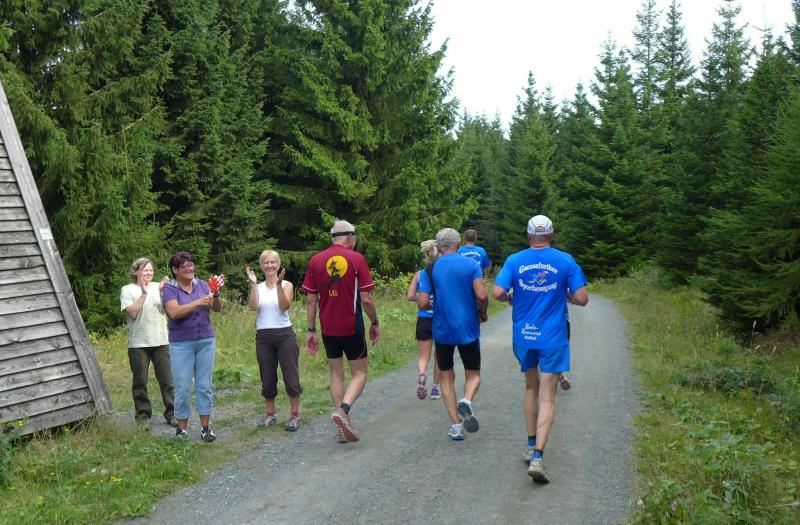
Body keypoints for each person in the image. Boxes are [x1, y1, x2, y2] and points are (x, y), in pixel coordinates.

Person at [493, 215, 588, 483]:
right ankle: (537, 457)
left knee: (530, 388)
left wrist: (512, 297)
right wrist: (565, 295)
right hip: (553, 337)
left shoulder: (514, 260)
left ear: (529, 235)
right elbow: (582, 298)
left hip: (524, 336)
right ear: (551, 235)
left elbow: (498, 292)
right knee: (547, 397)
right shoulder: (565, 260)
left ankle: (530, 443)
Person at [301, 220, 380, 443]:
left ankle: (341, 426)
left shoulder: (316, 260)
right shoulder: (356, 259)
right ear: (350, 237)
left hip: (328, 327)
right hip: (351, 326)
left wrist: (311, 330)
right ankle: (343, 411)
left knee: (336, 374)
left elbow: (311, 300)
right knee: (360, 373)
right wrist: (375, 321)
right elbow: (366, 298)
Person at [418, 228, 489, 441]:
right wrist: (482, 312)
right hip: (468, 328)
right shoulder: (471, 264)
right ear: (458, 244)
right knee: (473, 374)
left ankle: (456, 426)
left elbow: (422, 302)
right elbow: (482, 295)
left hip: (443, 330)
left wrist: (435, 307)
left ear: (439, 247)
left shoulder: (430, 268)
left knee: (446, 376)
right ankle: (466, 400)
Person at [162, 251, 224, 442]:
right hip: (181, 344)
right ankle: (182, 429)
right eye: (184, 266)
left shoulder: (203, 285)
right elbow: (174, 312)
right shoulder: (169, 289)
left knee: (204, 386)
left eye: (191, 265)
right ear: (175, 270)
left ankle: (206, 428)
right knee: (182, 387)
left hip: (205, 341)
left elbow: (217, 308)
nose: (190, 269)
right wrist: (198, 302)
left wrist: (216, 294)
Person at [246, 250, 302, 432]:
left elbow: (284, 306)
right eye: (266, 262)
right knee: (267, 377)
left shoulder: (287, 285)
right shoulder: (258, 287)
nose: (270, 265)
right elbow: (253, 306)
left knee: (291, 376)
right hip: (263, 337)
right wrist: (253, 285)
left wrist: (278, 286)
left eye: (273, 262)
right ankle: (270, 415)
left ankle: (294, 416)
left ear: (278, 265)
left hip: (284, 335)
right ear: (262, 266)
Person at [120, 258, 176, 429]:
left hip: (161, 340)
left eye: (151, 270)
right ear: (136, 271)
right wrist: (144, 294)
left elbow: (170, 311)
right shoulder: (127, 289)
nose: (149, 273)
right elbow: (132, 313)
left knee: (167, 380)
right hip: (138, 344)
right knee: (140, 381)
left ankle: (173, 414)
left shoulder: (159, 286)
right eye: (145, 270)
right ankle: (143, 416)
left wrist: (163, 293)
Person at [405, 240, 442, 400]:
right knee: (439, 356)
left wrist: (423, 297)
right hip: (440, 319)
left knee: (423, 356)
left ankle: (421, 375)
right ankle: (435, 389)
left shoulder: (420, 274)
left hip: (424, 319)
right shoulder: (443, 272)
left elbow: (410, 296)